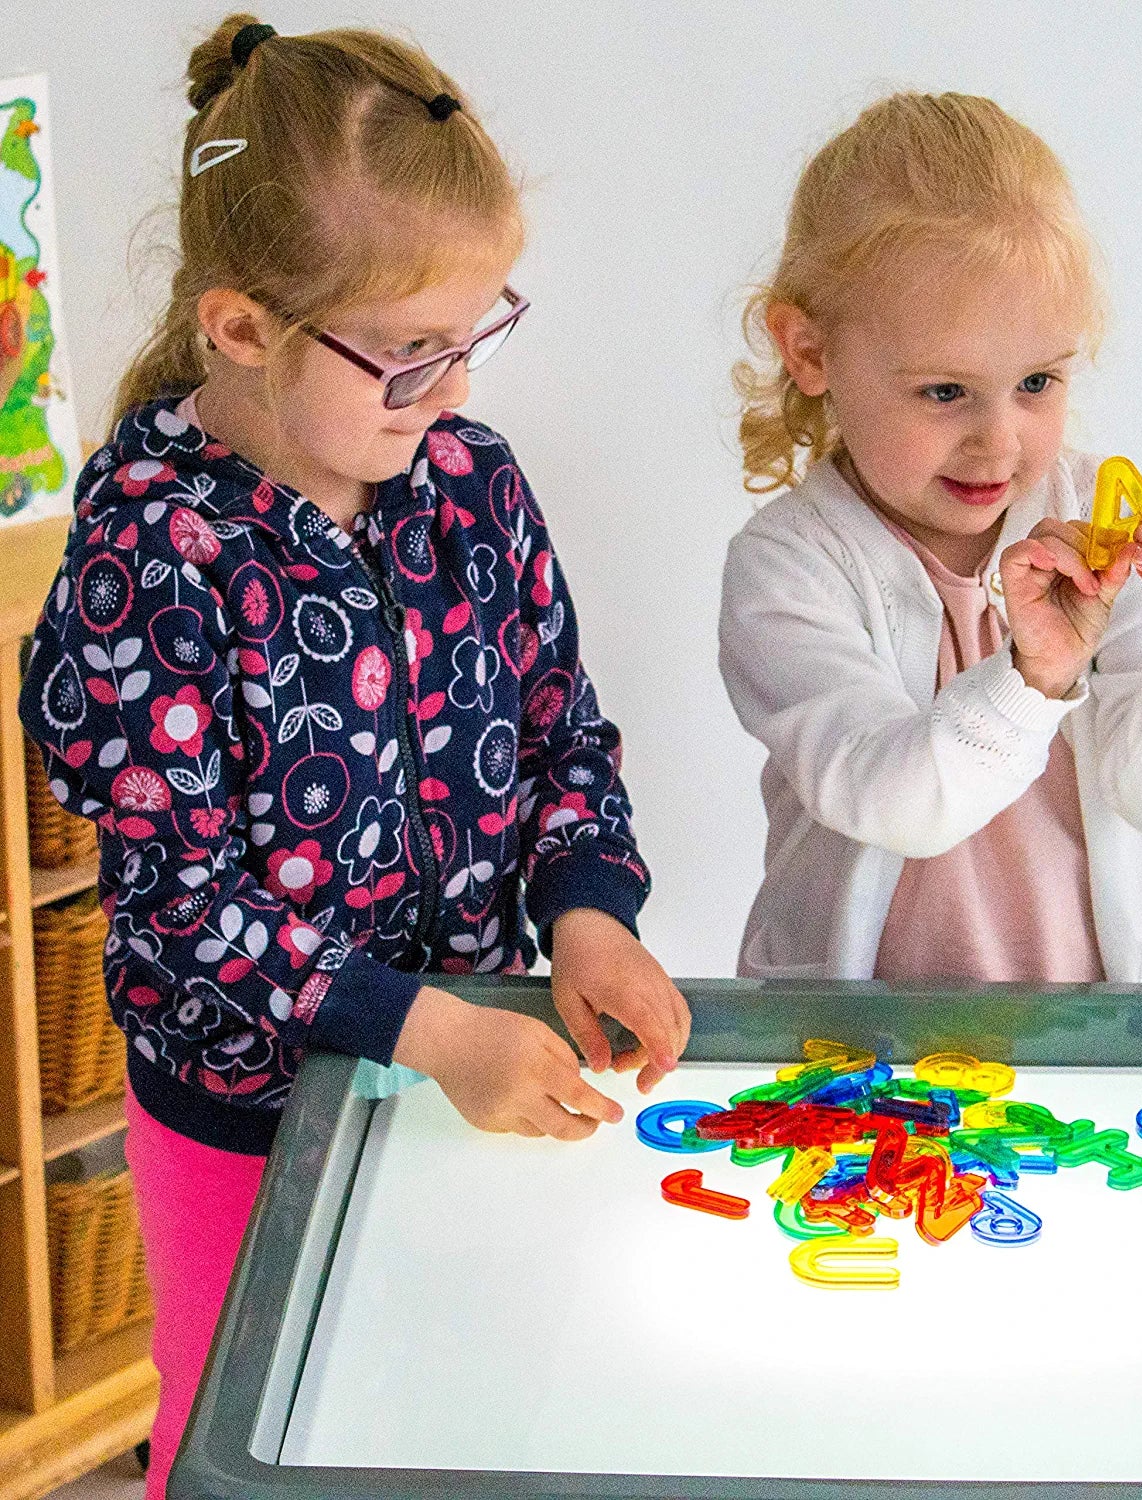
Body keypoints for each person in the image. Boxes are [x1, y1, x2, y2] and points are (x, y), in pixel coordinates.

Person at [19, 17, 688, 1495]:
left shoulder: (472, 488)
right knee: (253, 1451)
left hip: (464, 1079)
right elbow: (182, 925)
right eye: (404, 355)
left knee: (446, 1415)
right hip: (246, 1128)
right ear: (244, 327)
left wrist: (588, 913)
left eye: (472, 335)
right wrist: (429, 1030)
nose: (449, 390)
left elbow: (561, 734)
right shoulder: (158, 553)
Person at [720, 91, 1142, 985]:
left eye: (1037, 381)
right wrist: (1034, 680)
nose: (999, 441)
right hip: (862, 1049)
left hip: (1099, 1034)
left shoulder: (1090, 519)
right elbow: (893, 801)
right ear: (809, 351)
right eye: (944, 392)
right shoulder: (790, 566)